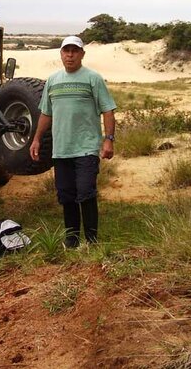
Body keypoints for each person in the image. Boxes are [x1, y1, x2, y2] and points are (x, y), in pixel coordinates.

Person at [30, 35, 116, 248]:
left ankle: (92, 240)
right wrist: (36, 139)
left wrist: (109, 140)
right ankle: (72, 239)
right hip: (61, 149)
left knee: (86, 192)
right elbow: (46, 114)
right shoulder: (53, 80)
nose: (70, 55)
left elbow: (107, 109)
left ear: (82, 54)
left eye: (74, 51)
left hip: (86, 147)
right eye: (66, 51)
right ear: (61, 54)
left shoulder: (93, 79)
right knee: (66, 195)